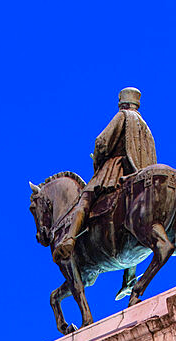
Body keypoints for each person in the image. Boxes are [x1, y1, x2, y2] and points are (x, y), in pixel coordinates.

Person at [53, 86, 157, 297]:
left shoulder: (122, 117)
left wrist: (99, 161)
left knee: (84, 199)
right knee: (134, 222)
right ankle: (130, 278)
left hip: (115, 170)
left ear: (122, 102)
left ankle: (70, 239)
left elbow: (101, 142)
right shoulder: (145, 127)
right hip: (138, 177)